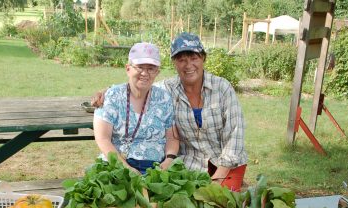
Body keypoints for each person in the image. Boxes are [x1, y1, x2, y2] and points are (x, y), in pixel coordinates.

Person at [92, 33, 247, 190]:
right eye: (182, 60)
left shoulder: (222, 88)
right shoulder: (168, 89)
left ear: (203, 59)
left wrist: (217, 179)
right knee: (187, 206)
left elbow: (235, 136)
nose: (188, 65)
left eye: (194, 58)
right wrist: (107, 91)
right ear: (175, 63)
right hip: (191, 163)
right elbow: (140, 85)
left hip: (227, 163)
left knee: (222, 203)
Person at [93, 42, 179, 174]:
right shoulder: (112, 96)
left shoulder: (164, 98)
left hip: (155, 167)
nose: (145, 73)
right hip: (117, 165)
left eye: (151, 68)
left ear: (157, 72)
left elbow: (172, 138)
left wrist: (168, 160)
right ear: (128, 69)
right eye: (139, 67)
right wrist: (126, 168)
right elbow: (103, 138)